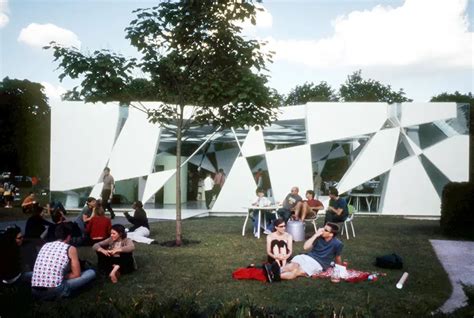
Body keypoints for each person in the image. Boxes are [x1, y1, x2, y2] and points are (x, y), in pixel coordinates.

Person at [31, 223, 96, 300]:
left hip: (34, 291)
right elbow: (76, 275)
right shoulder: (70, 248)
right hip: (54, 291)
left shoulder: (45, 245)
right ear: (68, 237)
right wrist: (62, 276)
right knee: (91, 272)